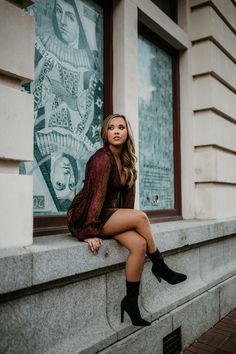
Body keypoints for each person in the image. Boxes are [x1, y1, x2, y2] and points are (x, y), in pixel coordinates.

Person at [67, 114, 187, 327]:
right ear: (105, 133)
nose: (116, 131)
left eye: (121, 127)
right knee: (141, 216)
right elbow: (93, 198)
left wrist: (127, 223)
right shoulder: (100, 159)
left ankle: (130, 302)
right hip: (87, 215)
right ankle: (160, 266)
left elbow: (127, 208)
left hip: (110, 215)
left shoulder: (128, 162)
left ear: (126, 132)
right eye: (111, 127)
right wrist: (87, 233)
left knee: (139, 245)